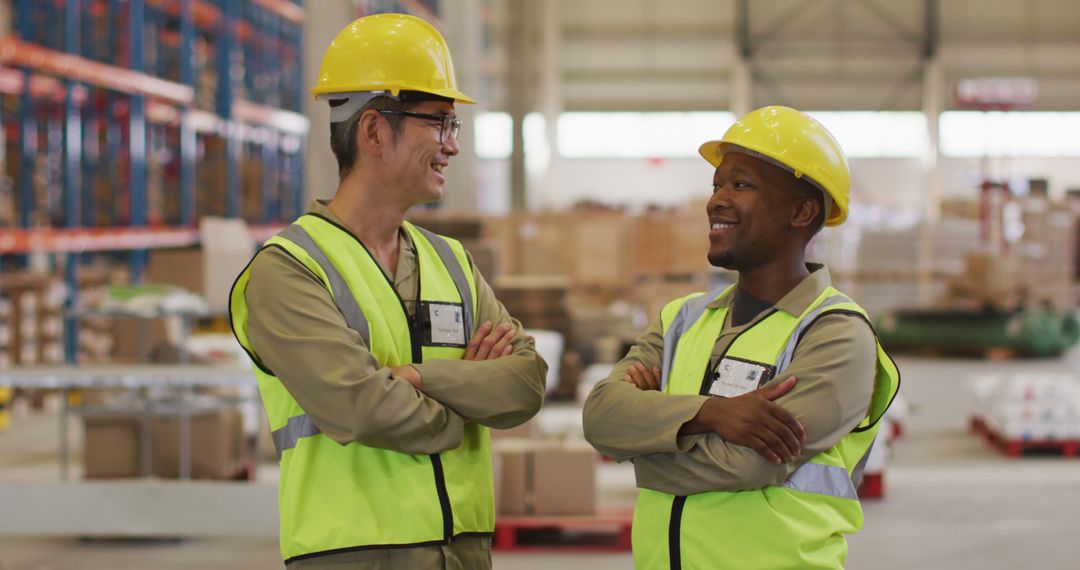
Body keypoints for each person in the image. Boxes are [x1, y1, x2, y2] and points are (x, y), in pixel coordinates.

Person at [229, 14, 547, 569]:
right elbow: (360, 409)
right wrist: (468, 406)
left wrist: (420, 379)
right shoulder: (289, 271)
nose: (451, 146)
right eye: (440, 124)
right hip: (355, 554)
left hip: (464, 551)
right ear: (375, 130)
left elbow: (526, 384)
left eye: (455, 127)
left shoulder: (451, 261)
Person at [582, 105, 900, 569]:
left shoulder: (835, 334)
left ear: (801, 211)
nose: (717, 200)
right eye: (717, 185)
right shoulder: (681, 320)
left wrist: (641, 444)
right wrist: (711, 413)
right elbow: (600, 417)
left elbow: (750, 463)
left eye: (741, 184)